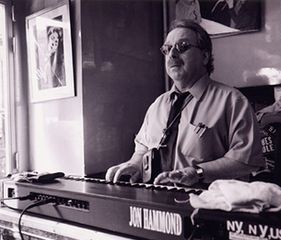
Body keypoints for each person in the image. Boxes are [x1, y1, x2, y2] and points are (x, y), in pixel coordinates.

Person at [105, 19, 263, 187]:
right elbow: (143, 147)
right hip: (158, 204)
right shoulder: (157, 105)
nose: (172, 54)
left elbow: (246, 161)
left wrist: (198, 173)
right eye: (167, 49)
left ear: (204, 56)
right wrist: (135, 163)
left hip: (208, 206)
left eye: (182, 46)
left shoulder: (232, 101)